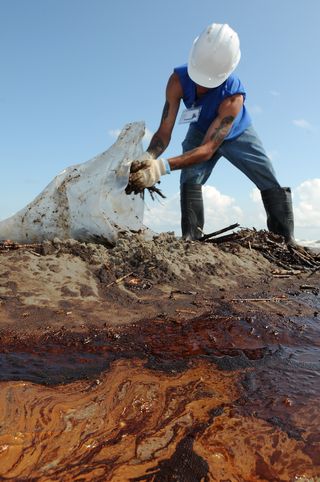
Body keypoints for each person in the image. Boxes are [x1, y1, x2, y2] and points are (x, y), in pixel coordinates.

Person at [128, 22, 295, 244]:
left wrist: (162, 167)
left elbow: (207, 149)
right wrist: (148, 157)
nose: (202, 86)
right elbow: (164, 131)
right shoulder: (177, 81)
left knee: (266, 177)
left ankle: (284, 238)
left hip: (238, 134)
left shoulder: (233, 97)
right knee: (190, 178)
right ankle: (192, 236)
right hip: (199, 130)